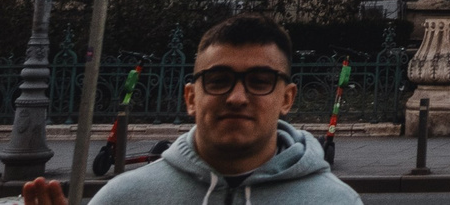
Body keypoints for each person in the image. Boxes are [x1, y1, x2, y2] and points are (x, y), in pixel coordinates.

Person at [23, 13, 359, 205]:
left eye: (260, 81)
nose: (237, 97)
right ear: (190, 98)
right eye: (219, 79)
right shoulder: (123, 199)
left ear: (287, 98)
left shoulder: (335, 202)